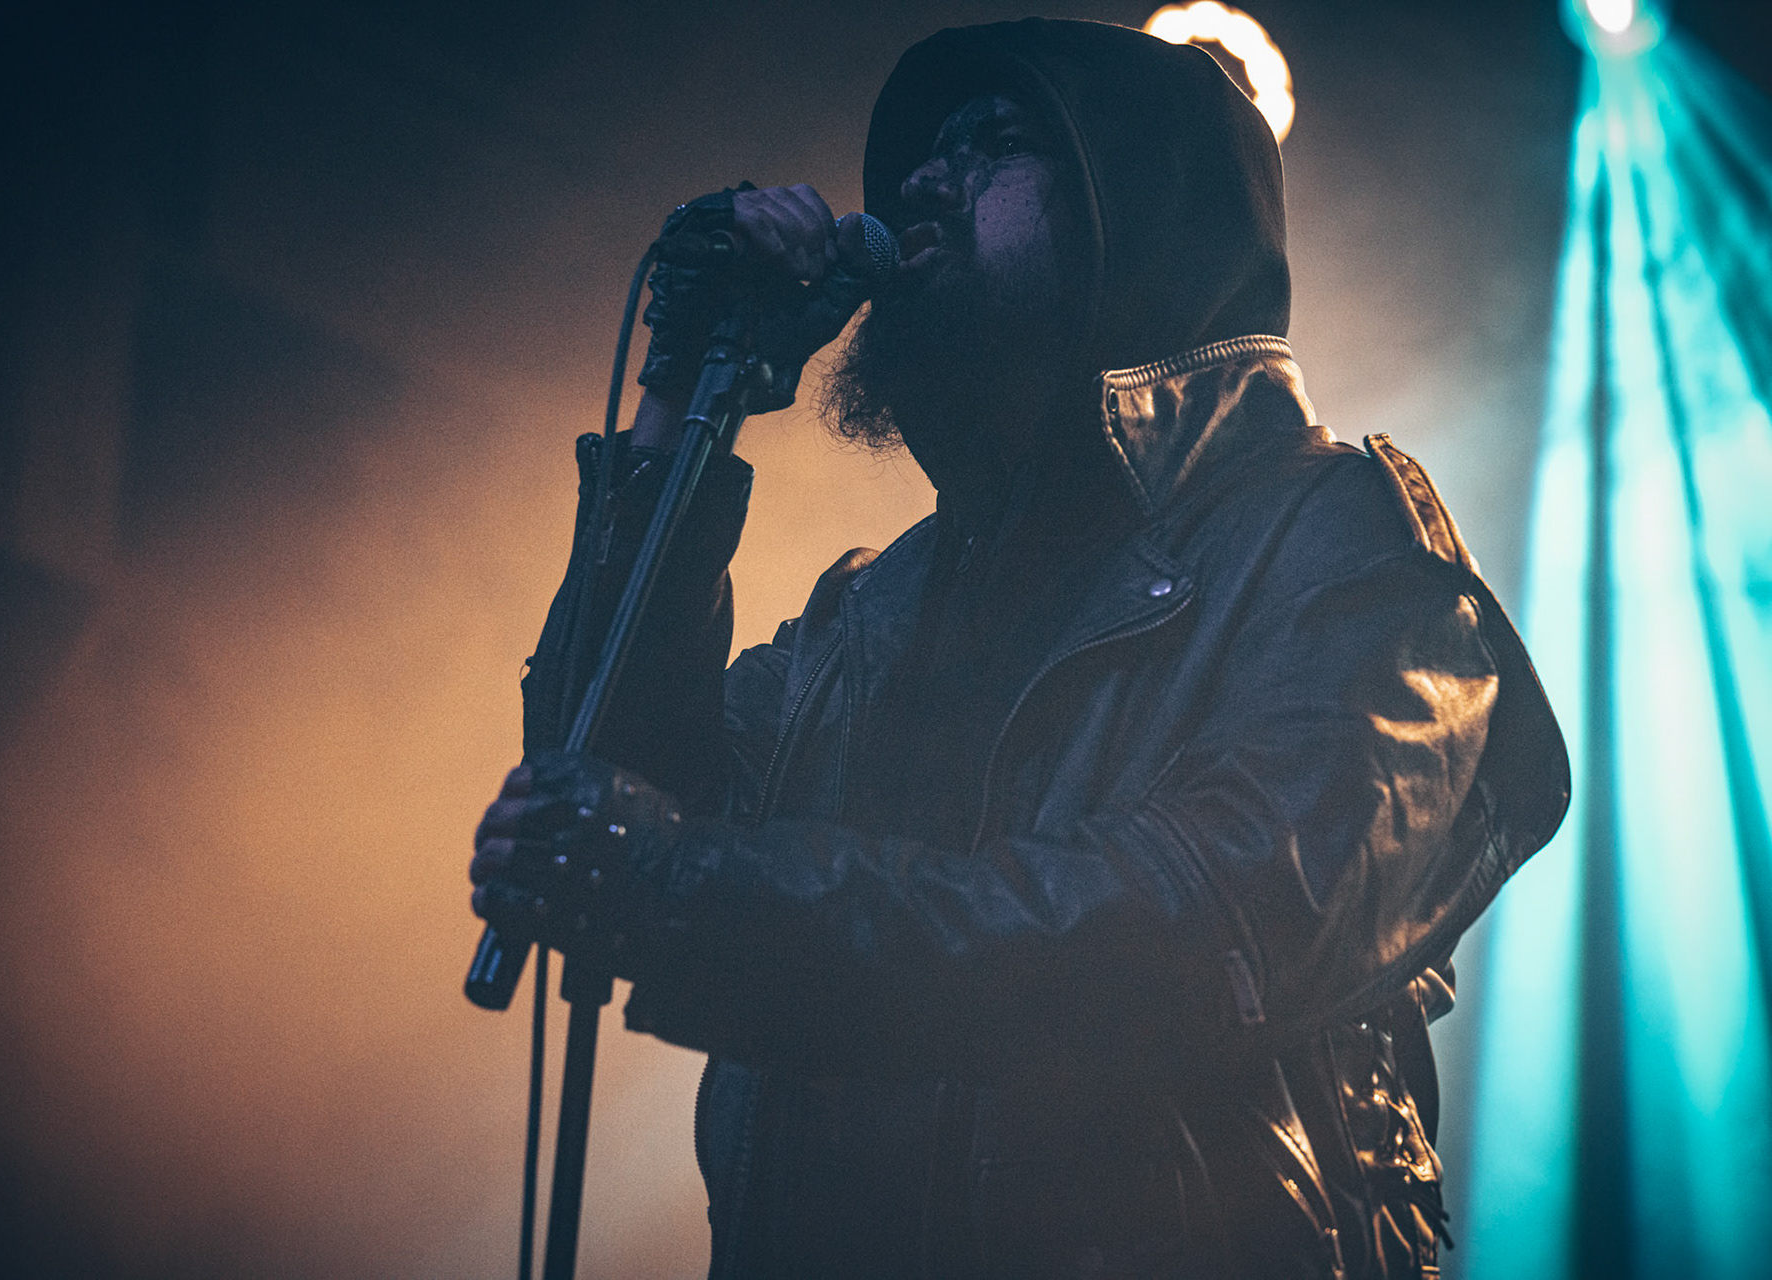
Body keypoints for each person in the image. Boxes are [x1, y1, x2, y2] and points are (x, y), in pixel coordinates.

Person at [470, 18, 1568, 1279]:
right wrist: (683, 398)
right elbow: (609, 767)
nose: (918, 188)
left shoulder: (1341, 539)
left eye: (991, 147)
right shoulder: (867, 614)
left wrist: (682, 889)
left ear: (1141, 201)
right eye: (916, 163)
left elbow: (1190, 929)